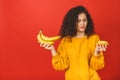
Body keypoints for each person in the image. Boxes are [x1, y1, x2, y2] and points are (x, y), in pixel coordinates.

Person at [40, 5, 108, 80]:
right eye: (78, 21)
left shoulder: (94, 38)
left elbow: (97, 66)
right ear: (72, 23)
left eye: (84, 20)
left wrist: (97, 52)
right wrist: (53, 50)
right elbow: (60, 66)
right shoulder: (66, 41)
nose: (82, 23)